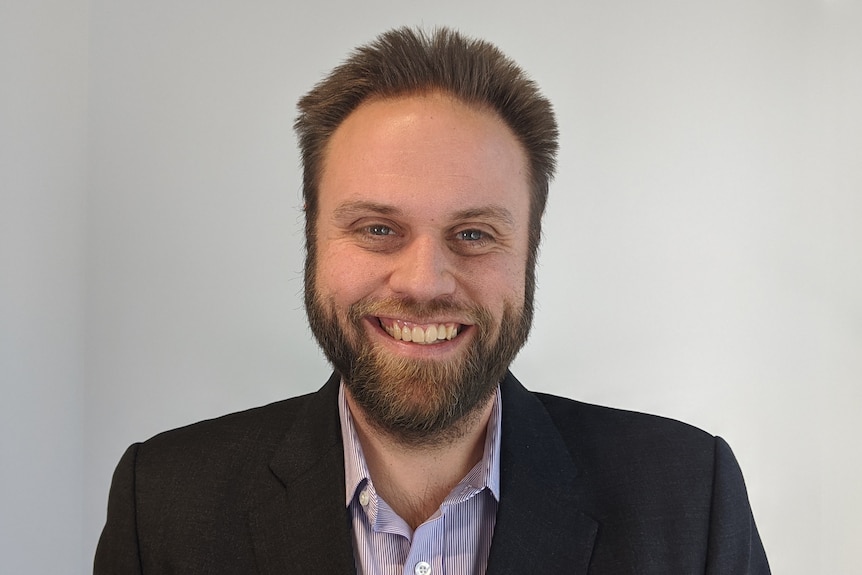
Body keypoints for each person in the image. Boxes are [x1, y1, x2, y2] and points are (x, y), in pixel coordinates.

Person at [94, 27, 770, 574]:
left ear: (529, 249)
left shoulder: (688, 499)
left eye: (473, 233)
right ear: (312, 234)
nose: (423, 282)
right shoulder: (161, 508)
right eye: (378, 229)